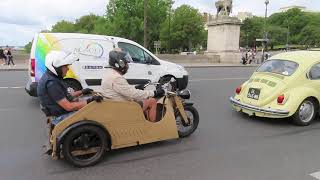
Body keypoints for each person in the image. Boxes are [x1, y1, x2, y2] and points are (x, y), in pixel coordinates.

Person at [37, 51, 103, 125]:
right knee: (94, 115)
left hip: (58, 112)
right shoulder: (52, 83)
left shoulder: (52, 78)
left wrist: (82, 92)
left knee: (83, 102)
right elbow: (69, 107)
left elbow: (64, 97)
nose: (68, 69)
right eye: (65, 66)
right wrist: (89, 101)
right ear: (57, 67)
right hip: (60, 117)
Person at [101, 49, 165, 122]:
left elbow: (124, 90)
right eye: (126, 63)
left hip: (114, 104)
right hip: (123, 108)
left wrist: (135, 88)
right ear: (120, 64)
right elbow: (133, 94)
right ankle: (153, 128)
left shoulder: (109, 73)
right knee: (152, 101)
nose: (127, 66)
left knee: (142, 99)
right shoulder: (117, 78)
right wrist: (154, 93)